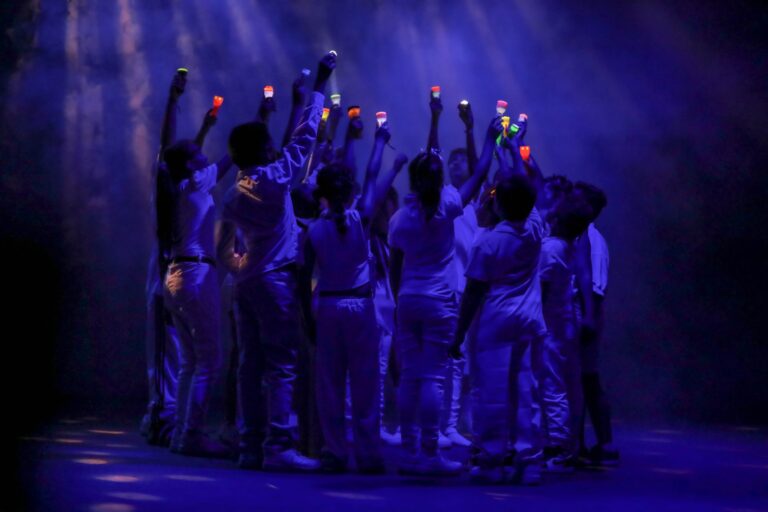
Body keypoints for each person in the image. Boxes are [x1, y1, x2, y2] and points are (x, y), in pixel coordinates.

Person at [219, 52, 335, 471]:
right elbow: (304, 139)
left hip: (245, 284)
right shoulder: (273, 180)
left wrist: (240, 269)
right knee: (281, 364)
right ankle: (280, 447)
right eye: (269, 145)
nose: (275, 147)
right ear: (263, 152)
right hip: (274, 282)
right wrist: (320, 86)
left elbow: (222, 247)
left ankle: (250, 446)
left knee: (248, 366)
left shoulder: (234, 192)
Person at [388, 95, 498, 477]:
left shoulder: (401, 217)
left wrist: (399, 295)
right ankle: (431, 453)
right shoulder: (448, 205)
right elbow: (481, 172)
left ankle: (408, 450)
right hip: (439, 301)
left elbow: (394, 263)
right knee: (433, 377)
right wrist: (487, 137)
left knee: (410, 375)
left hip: (409, 300)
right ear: (437, 179)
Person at [450, 122, 545, 484]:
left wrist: (458, 336)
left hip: (495, 321)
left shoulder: (487, 242)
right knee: (526, 389)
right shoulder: (535, 228)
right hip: (529, 320)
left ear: (499, 202)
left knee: (491, 391)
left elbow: (473, 291)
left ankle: (491, 458)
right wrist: (513, 148)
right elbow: (527, 190)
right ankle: (528, 459)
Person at [302, 158, 384, 474]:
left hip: (329, 307)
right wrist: (378, 142)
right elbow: (372, 173)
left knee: (329, 385)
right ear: (350, 193)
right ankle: (368, 453)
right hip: (359, 307)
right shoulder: (361, 218)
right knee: (365, 383)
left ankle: (334, 450)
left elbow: (302, 276)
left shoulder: (313, 230)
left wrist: (307, 316)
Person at [159, 122, 234, 457]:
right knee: (209, 360)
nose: (204, 156)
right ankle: (192, 433)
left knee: (190, 360)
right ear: (189, 163)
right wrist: (258, 124)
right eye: (197, 153)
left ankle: (181, 433)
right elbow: (229, 160)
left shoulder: (177, 188)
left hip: (176, 274)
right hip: (194, 274)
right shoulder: (193, 183)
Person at [538, 192, 593, 472]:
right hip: (563, 323)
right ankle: (564, 443)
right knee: (564, 384)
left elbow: (542, 290)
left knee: (552, 385)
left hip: (552, 325)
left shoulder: (552, 250)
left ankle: (559, 448)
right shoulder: (567, 246)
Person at [573, 181, 619, 466]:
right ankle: (583, 442)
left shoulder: (593, 241)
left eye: (575, 200)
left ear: (589, 208)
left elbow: (596, 288)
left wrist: (589, 319)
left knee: (586, 379)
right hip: (582, 313)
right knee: (583, 380)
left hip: (587, 315)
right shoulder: (580, 238)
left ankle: (604, 442)